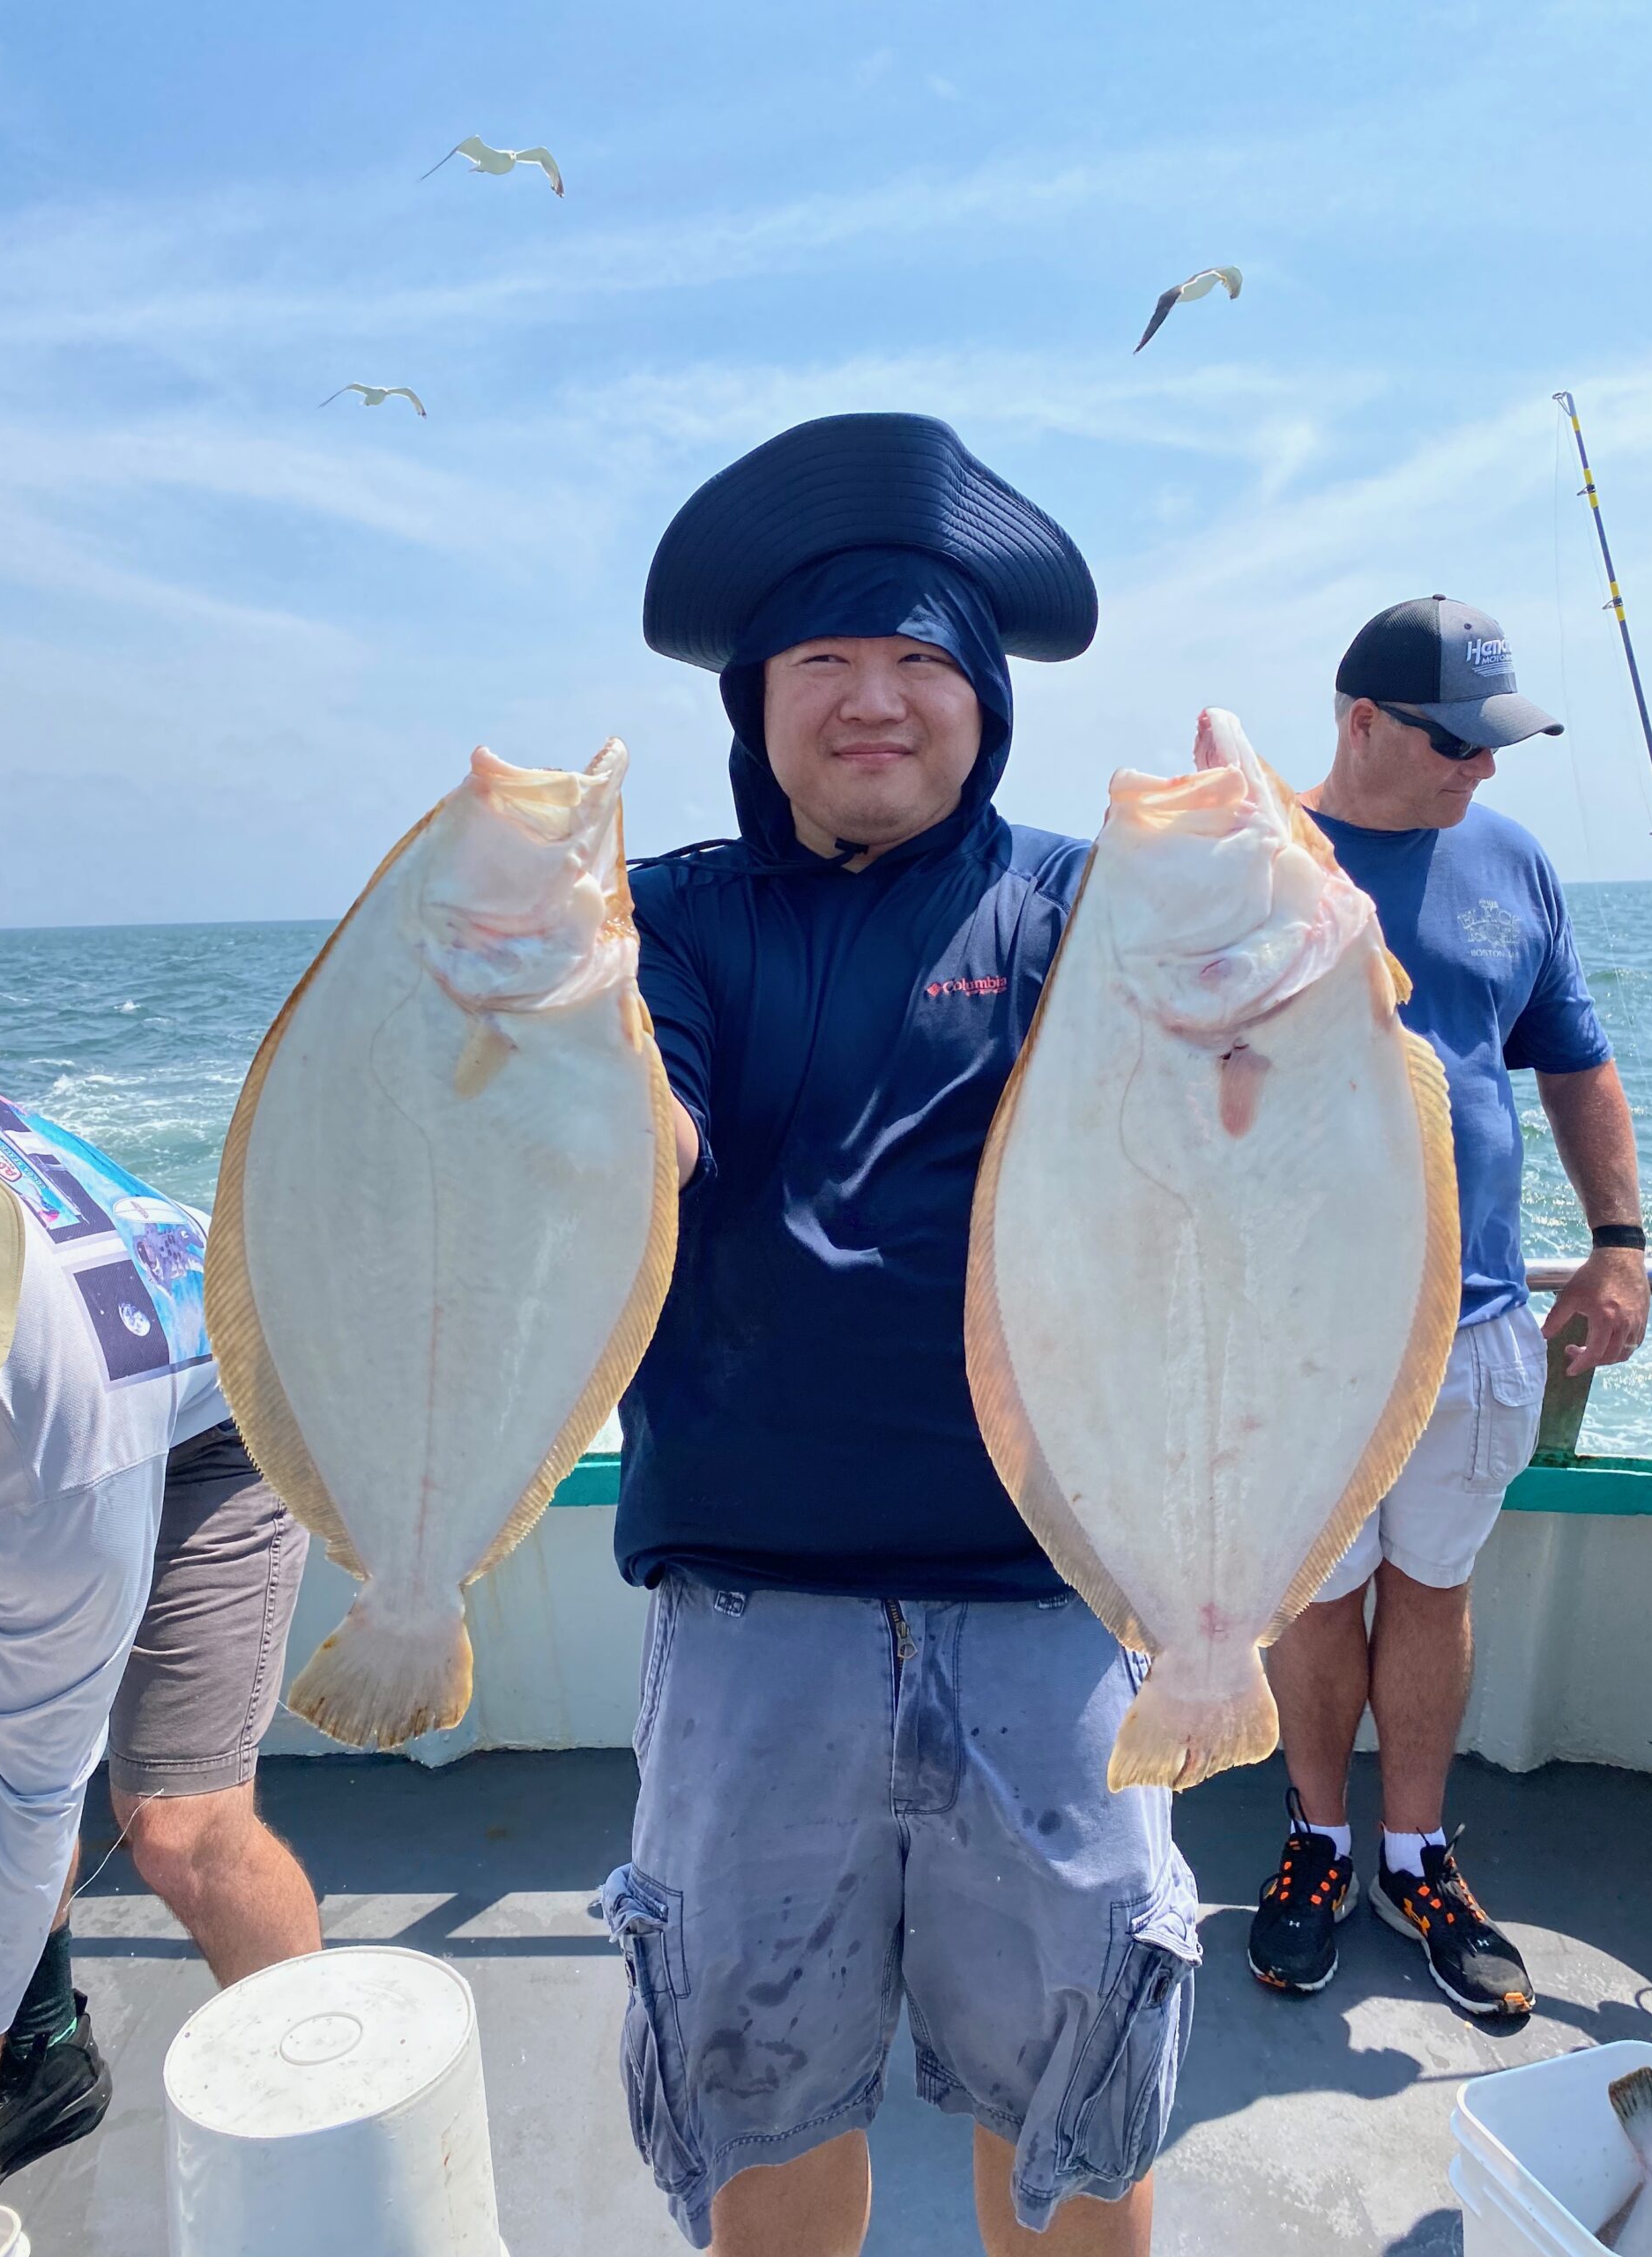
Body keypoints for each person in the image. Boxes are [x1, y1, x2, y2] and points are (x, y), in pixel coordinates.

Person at [600, 413, 1200, 2257]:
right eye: (826, 661)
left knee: (1071, 2118)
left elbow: (1236, 1161)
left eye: (923, 659)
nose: (876, 700)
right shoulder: (665, 920)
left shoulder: (1094, 908)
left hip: (1054, 1602)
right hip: (748, 1619)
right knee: (763, 2100)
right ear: (759, 701)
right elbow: (646, 1129)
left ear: (988, 698)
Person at [1246, 596, 1649, 2016]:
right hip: (1296, 1332)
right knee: (1315, 1594)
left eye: (1500, 746)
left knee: (1432, 1582)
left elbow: (1578, 1058)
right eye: (1457, 745)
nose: (1484, 772)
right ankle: (1313, 1838)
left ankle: (1415, 1853)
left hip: (1477, 1324)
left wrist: (1615, 1239)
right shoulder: (1257, 864)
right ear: (1360, 722)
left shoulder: (1513, 858)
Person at [0, 1096, 317, 2187]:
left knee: (180, 1826)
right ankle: (39, 2055)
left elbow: (35, 1783)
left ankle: (328, 2116)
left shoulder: (47, 1449)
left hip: (223, 1414)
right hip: (95, 1384)